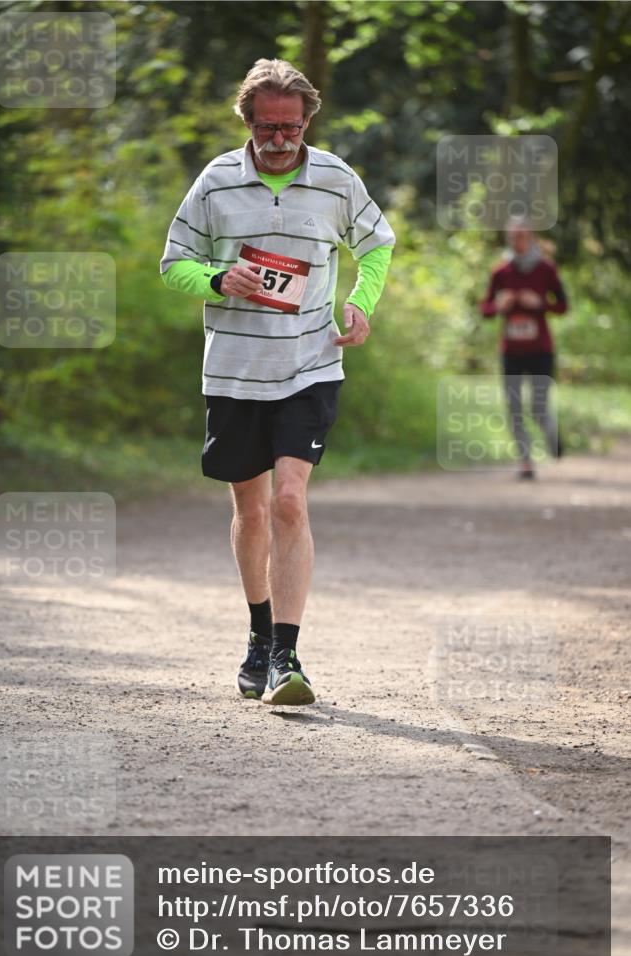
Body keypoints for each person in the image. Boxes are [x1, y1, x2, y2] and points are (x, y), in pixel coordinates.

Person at [159, 58, 395, 705]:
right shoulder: (215, 182)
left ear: (307, 121)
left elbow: (376, 243)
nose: (280, 139)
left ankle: (287, 657)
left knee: (289, 499)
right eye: (267, 127)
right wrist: (216, 278)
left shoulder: (335, 178)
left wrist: (361, 301)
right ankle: (258, 634)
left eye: (291, 127)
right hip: (235, 370)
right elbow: (174, 263)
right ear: (247, 121)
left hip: (309, 366)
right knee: (252, 508)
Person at [480, 217, 568, 480]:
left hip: (541, 350)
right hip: (511, 352)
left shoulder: (546, 269)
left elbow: (563, 306)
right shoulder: (501, 272)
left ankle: (553, 439)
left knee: (539, 408)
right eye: (512, 237)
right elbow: (485, 310)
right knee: (514, 408)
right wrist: (499, 306)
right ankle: (526, 463)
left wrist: (540, 303)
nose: (516, 242)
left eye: (521, 237)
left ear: (530, 237)